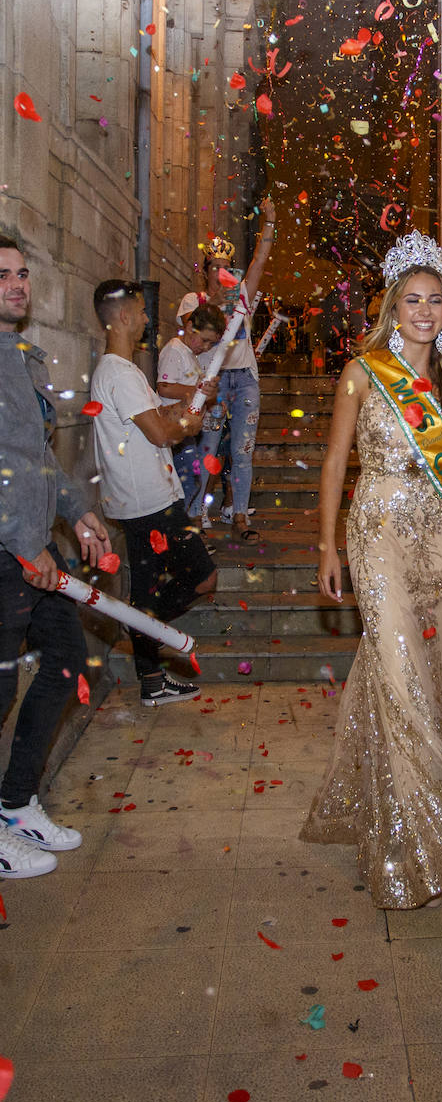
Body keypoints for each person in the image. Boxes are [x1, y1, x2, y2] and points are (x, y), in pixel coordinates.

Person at [303, 231, 442, 908]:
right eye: (412, 300)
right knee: (400, 672)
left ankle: (393, 810)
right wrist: (325, 547)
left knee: (436, 673)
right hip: (375, 529)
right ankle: (430, 837)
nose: (425, 311)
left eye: (435, 300)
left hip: (440, 533)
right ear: (393, 308)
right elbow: (337, 462)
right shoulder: (363, 370)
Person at [0, 236, 111, 878]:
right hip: (10, 553)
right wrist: (26, 545)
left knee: (67, 660)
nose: (17, 285)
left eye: (22, 274)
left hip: (33, 548)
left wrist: (76, 509)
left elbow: (35, 458)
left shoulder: (21, 355)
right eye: (3, 276)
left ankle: (16, 803)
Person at [91, 279, 217, 708]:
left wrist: (190, 404)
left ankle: (150, 673)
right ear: (124, 316)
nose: (148, 319)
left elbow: (156, 416)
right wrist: (188, 424)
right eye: (142, 311)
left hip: (145, 499)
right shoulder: (119, 372)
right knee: (203, 576)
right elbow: (162, 432)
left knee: (146, 589)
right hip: (148, 503)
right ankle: (142, 630)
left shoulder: (123, 371)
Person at [178, 196, 275, 541]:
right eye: (213, 267)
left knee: (242, 451)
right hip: (212, 384)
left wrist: (271, 224)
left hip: (245, 380)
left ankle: (239, 517)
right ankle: (198, 512)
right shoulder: (194, 301)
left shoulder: (243, 296)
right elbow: (189, 329)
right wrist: (215, 303)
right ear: (204, 271)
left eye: (226, 267)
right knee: (208, 448)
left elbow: (260, 261)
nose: (219, 274)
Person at [156, 303, 225, 508]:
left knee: (190, 480)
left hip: (186, 429)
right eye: (204, 340)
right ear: (189, 327)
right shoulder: (175, 351)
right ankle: (179, 526)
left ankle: (183, 523)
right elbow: (165, 387)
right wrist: (197, 391)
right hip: (174, 428)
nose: (205, 347)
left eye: (211, 344)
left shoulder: (188, 354)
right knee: (185, 482)